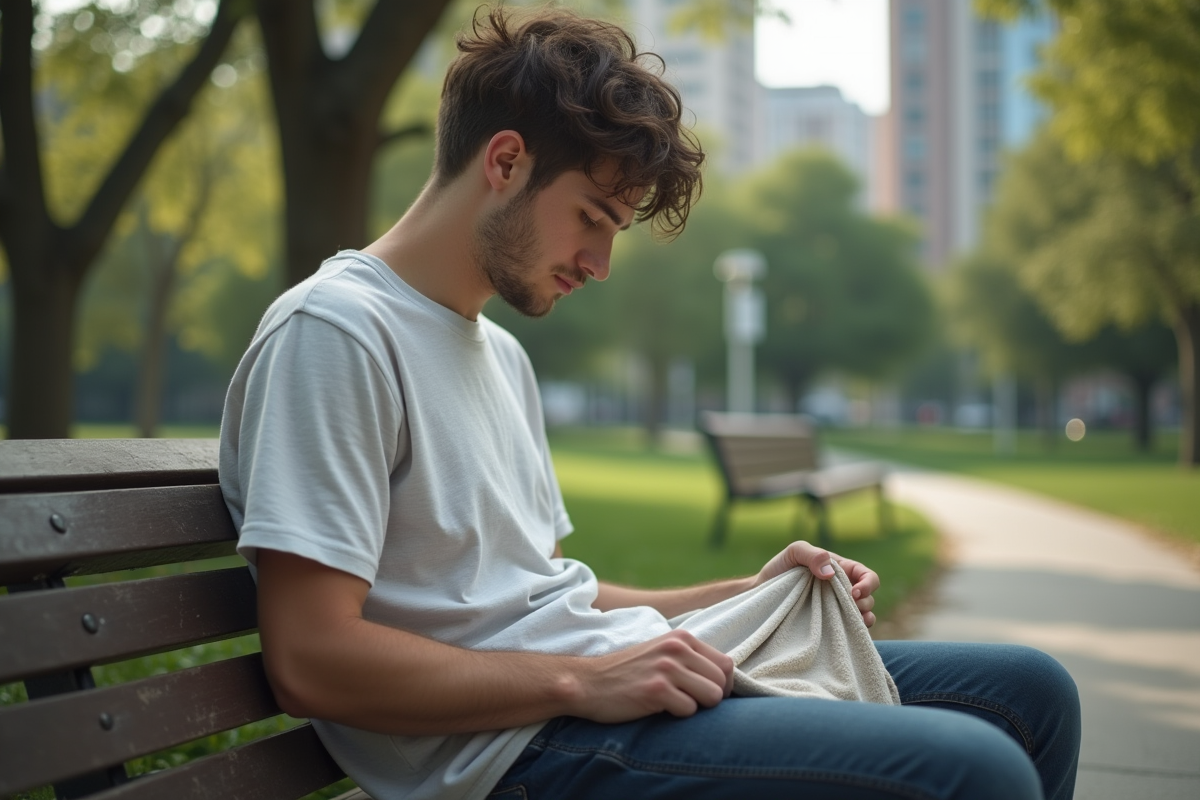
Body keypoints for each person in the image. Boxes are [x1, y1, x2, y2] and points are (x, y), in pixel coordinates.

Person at [219, 7, 1080, 800]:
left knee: (1028, 695)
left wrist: (745, 591)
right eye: (590, 216)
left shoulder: (501, 355)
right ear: (506, 162)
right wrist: (581, 683)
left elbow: (551, 595)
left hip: (584, 696)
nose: (599, 264)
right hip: (510, 751)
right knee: (976, 769)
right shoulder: (335, 333)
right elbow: (312, 658)